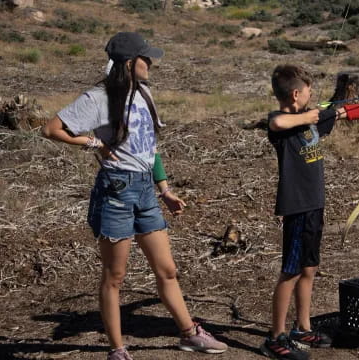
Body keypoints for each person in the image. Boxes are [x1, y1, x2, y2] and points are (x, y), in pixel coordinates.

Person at [42, 32, 227, 360]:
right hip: (116, 191)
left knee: (167, 269)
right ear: (130, 64)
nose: (151, 63)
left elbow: (149, 148)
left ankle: (189, 334)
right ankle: (117, 350)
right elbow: (52, 128)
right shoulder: (98, 98)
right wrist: (95, 143)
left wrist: (165, 189)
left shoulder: (144, 93)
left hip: (144, 191)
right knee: (115, 276)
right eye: (146, 58)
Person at [260, 64, 359, 360]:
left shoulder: (313, 121)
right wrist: (311, 115)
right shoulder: (279, 123)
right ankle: (275, 336)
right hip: (297, 208)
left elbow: (346, 112)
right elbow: (278, 124)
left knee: (309, 268)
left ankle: (302, 327)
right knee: (291, 272)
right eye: (308, 91)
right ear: (296, 94)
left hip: (314, 205)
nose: (313, 95)